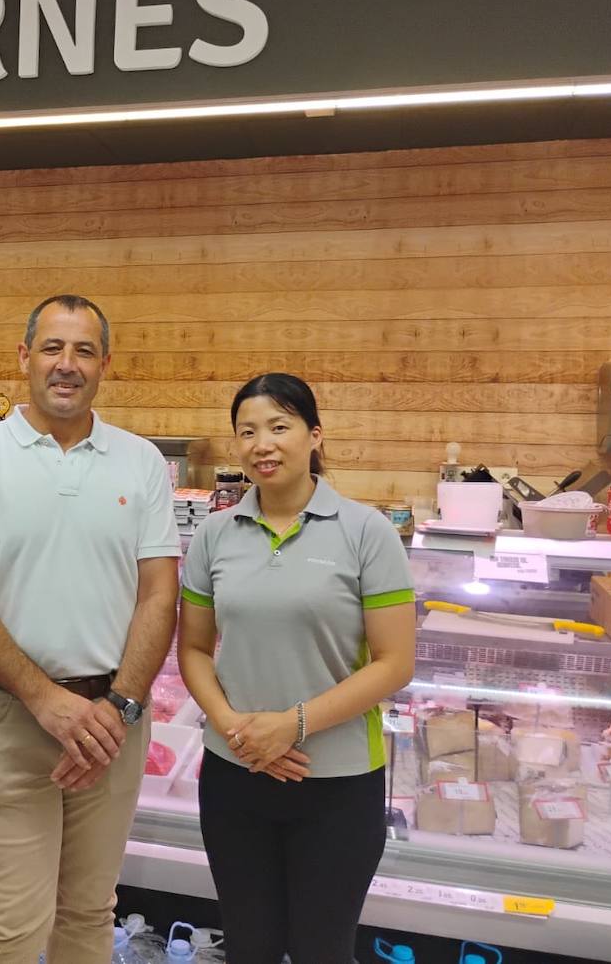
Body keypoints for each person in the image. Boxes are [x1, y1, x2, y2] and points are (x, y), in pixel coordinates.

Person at [0, 295, 181, 964]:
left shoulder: (142, 462)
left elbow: (160, 595)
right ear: (25, 357)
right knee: (14, 924)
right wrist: (46, 699)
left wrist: (119, 708)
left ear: (105, 365)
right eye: (53, 348)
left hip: (113, 725)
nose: (67, 365)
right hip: (11, 718)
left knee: (90, 917)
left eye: (84, 351)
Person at [177, 373, 416, 964]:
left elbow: (395, 662)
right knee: (249, 947)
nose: (264, 444)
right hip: (234, 776)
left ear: (314, 435)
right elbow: (193, 651)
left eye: (280, 427)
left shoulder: (367, 532)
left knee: (323, 950)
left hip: (337, 784)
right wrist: (235, 725)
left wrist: (292, 724)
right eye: (248, 431)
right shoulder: (213, 534)